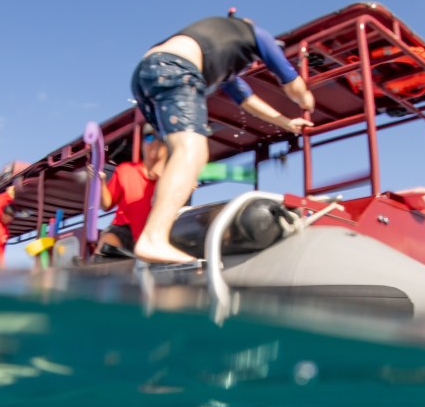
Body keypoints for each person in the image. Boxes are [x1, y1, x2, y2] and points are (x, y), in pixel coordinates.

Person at [130, 13, 316, 264]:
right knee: (193, 151)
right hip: (175, 69)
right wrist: (305, 98)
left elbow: (248, 102)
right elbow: (291, 82)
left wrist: (286, 122)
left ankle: (163, 225)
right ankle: (154, 238)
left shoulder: (221, 57)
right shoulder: (253, 34)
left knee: (183, 156)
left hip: (147, 74)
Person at [94, 126, 168, 256]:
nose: (154, 142)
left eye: (160, 138)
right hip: (124, 233)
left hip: (156, 235)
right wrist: (100, 182)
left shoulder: (175, 176)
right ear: (142, 144)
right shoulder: (125, 170)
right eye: (149, 137)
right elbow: (106, 205)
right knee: (106, 244)